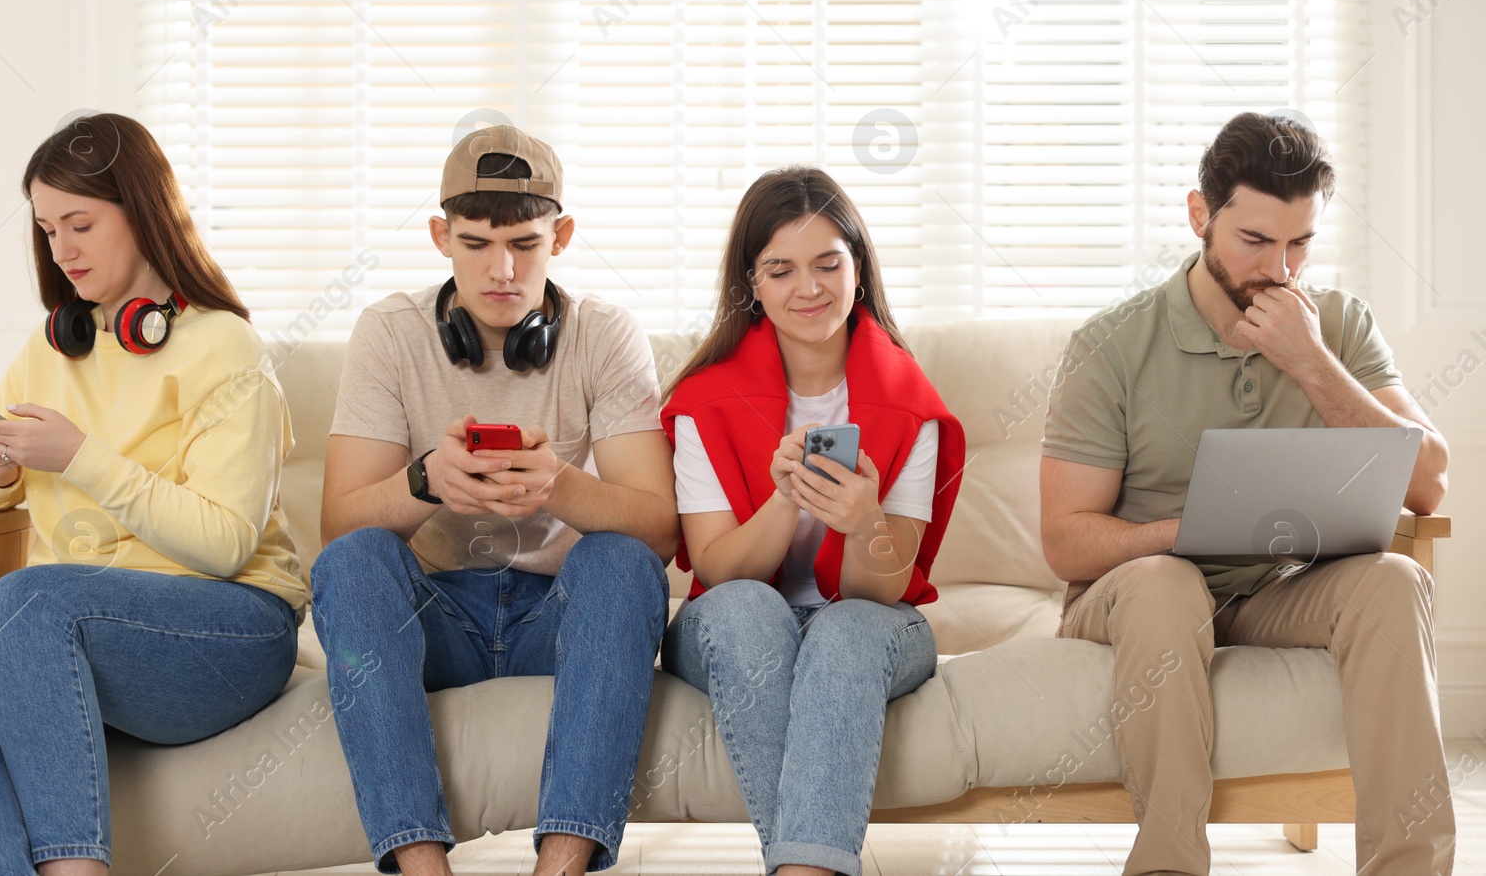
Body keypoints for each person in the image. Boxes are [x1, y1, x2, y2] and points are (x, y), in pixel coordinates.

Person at [0, 113, 306, 876]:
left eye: (80, 224)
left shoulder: (225, 348)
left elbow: (224, 544)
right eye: (48, 231)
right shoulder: (53, 347)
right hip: (79, 627)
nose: (63, 250)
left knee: (24, 601)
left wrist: (80, 457)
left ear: (144, 213)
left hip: (230, 631)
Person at [1040, 112, 1452, 876]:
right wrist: (1181, 533)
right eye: (1255, 241)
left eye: (1300, 243)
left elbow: (1429, 481)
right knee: (1168, 584)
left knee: (1395, 579)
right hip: (1137, 594)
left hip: (1274, 591)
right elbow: (1066, 540)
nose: (1280, 269)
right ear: (1201, 214)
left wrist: (1312, 361)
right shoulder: (1112, 345)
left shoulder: (1337, 325)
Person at [309, 125, 677, 876]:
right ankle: (422, 867)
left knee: (623, 562)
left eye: (525, 243)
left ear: (562, 235)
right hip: (433, 618)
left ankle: (560, 868)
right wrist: (426, 481)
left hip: (556, 615)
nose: (501, 269)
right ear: (441, 236)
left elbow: (661, 532)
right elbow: (337, 527)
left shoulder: (605, 334)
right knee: (354, 561)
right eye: (475, 243)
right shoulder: (389, 331)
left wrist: (562, 487)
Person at [660, 166, 966, 876]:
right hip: (735, 619)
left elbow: (882, 590)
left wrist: (864, 523)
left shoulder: (908, 400)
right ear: (752, 284)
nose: (809, 288)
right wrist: (786, 498)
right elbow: (716, 568)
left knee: (843, 630)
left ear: (859, 270)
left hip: (867, 619)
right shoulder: (704, 400)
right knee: (744, 608)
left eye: (829, 263)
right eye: (782, 269)